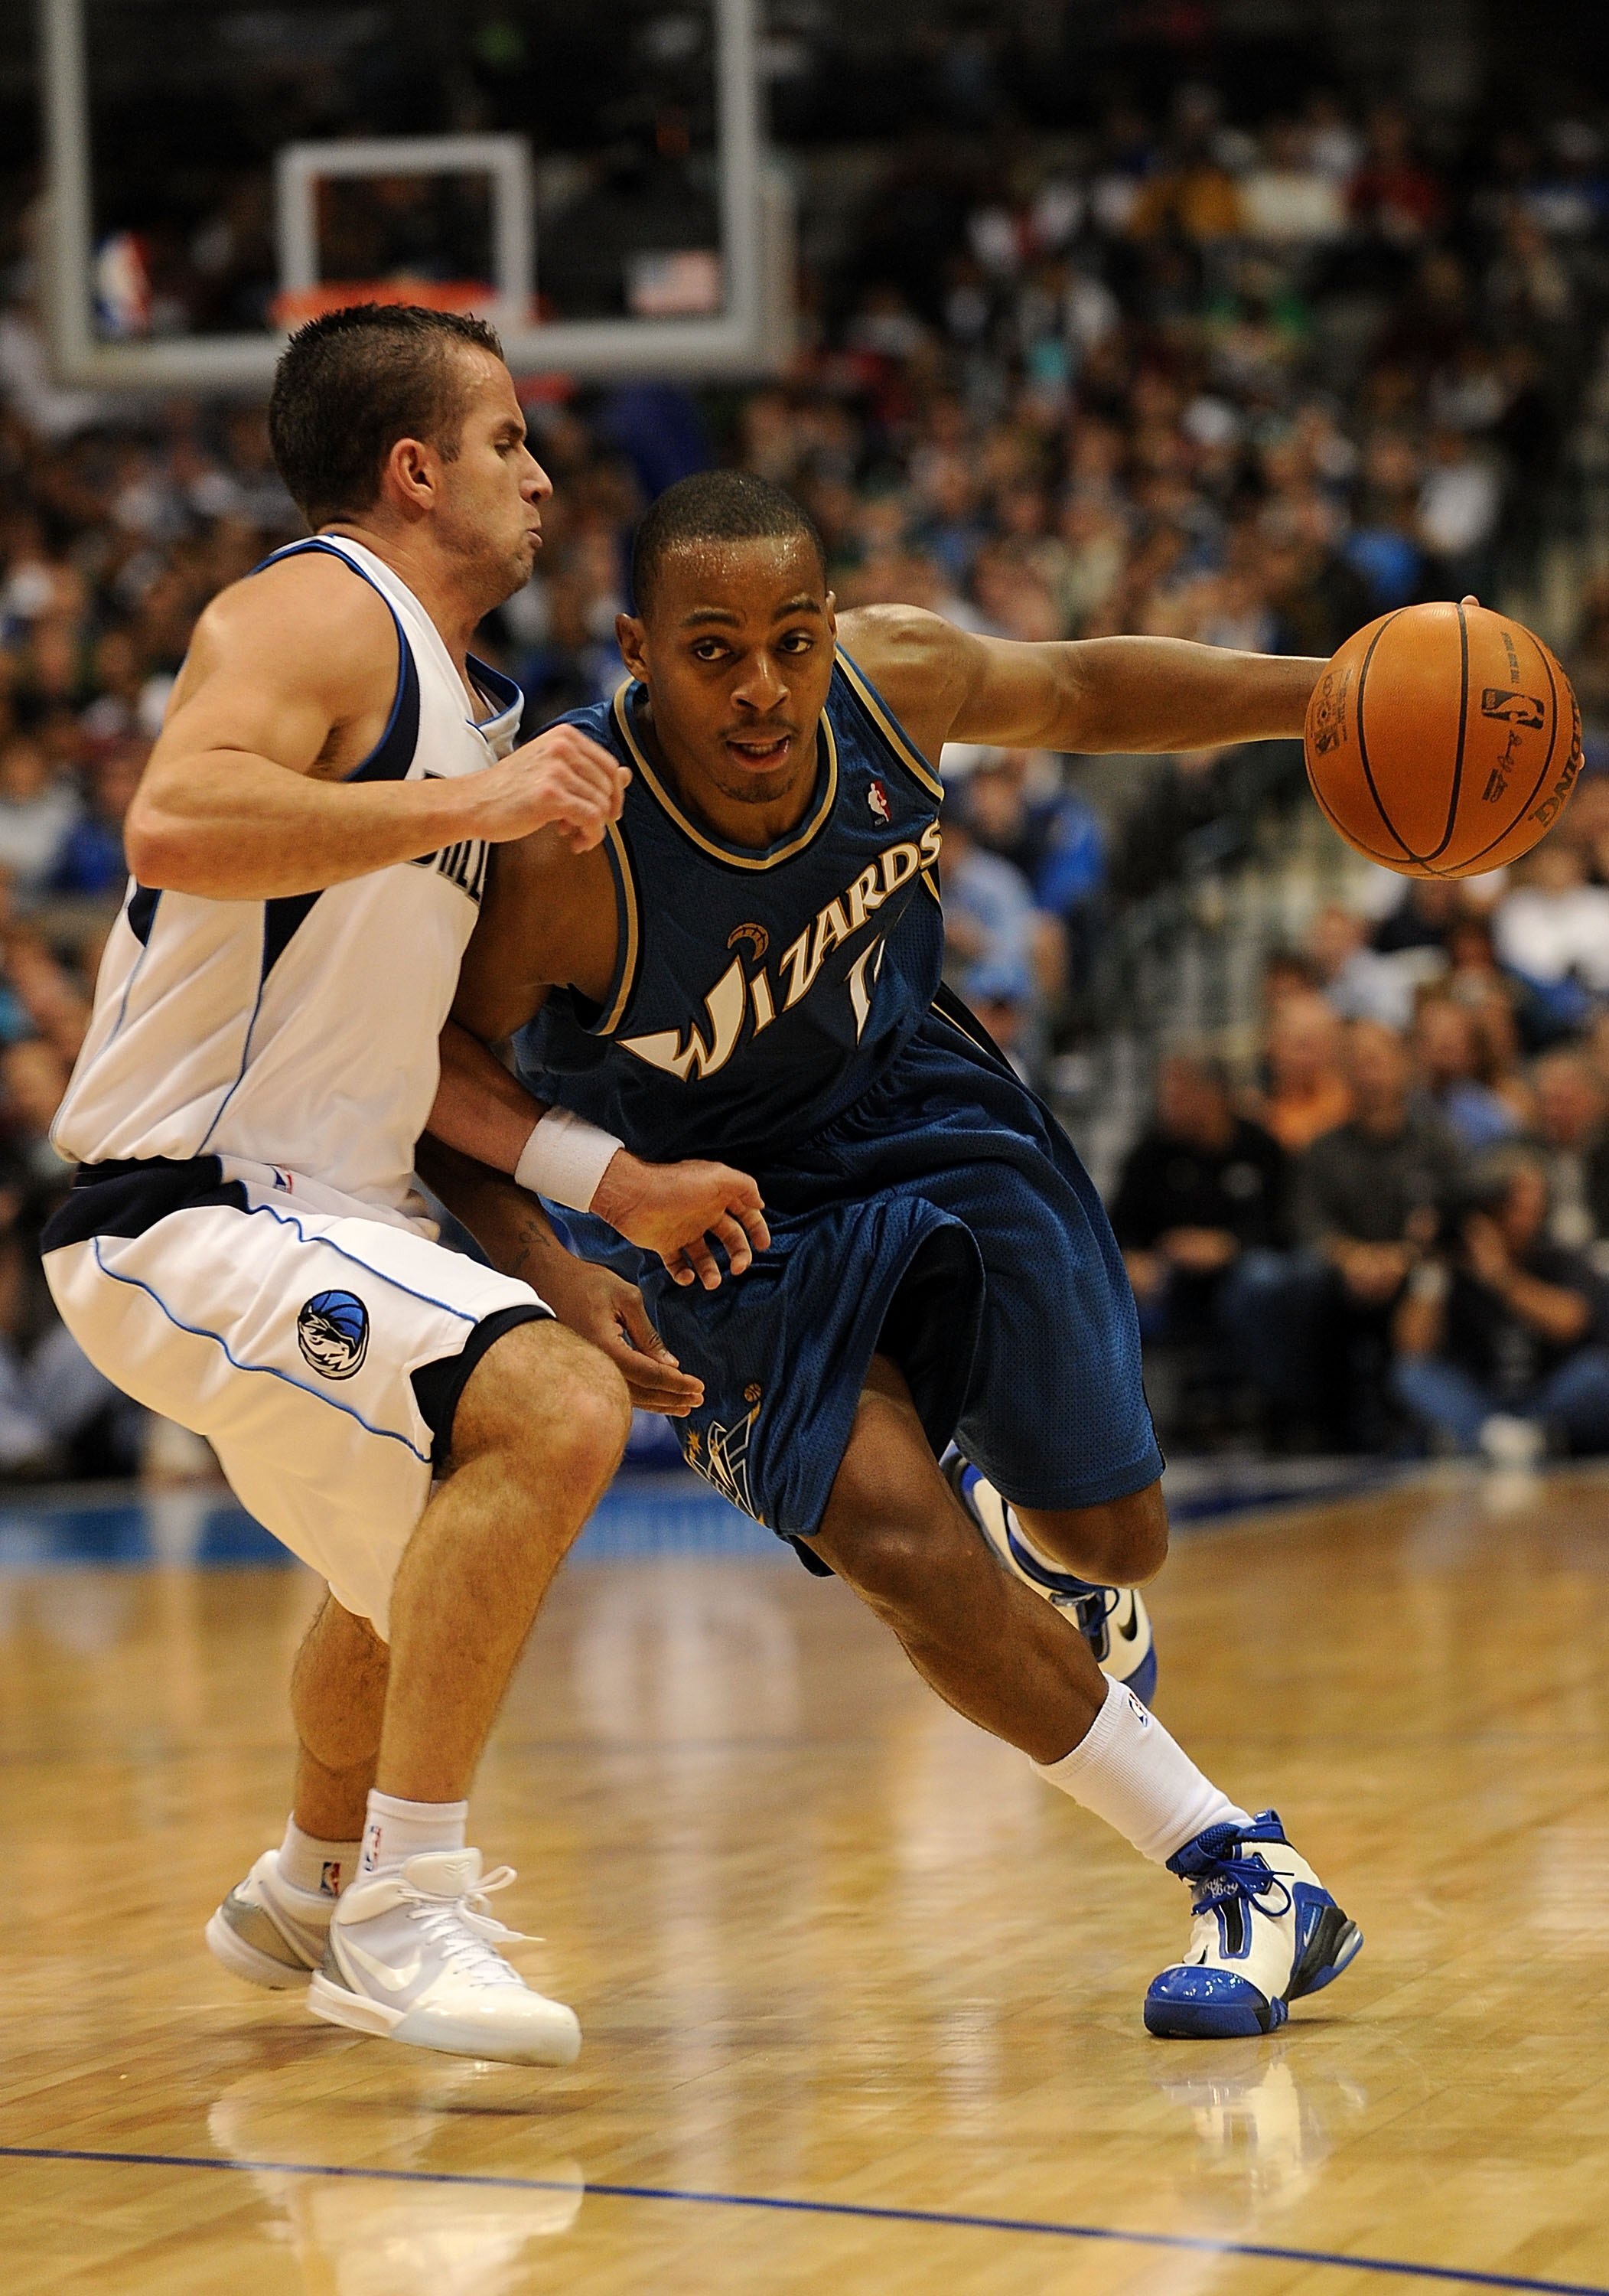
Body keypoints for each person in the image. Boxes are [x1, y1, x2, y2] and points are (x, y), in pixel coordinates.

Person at [400, 469, 1363, 2039]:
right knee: (897, 1544)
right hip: (706, 1204)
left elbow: (1076, 687)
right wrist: (565, 1261)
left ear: (831, 626)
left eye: (792, 638)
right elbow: (443, 1086)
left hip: (923, 1100)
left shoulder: (893, 687)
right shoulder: (573, 851)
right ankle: (1245, 1869)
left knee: (1113, 1540)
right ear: (638, 650)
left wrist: (1327, 691)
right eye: (714, 651)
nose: (764, 685)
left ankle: (1042, 1547)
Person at [39, 306, 774, 2067]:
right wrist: (484, 797)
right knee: (545, 1414)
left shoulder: (456, 702)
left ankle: (307, 1878)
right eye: (509, 439)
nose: (540, 472)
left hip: (331, 1198)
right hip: (182, 1196)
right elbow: (176, 818)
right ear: (414, 469)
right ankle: (404, 1903)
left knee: (406, 1562)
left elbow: (426, 1065)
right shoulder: (317, 606)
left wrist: (606, 1195)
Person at [1392, 1150, 1609, 1465]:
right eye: (1515, 1206)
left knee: (1596, 1374)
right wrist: (1432, 1264)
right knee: (1412, 1376)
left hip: (1547, 1396)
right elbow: (1413, 1348)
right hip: (1480, 1399)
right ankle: (1498, 1439)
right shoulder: (1451, 1262)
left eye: (1534, 1205)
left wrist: (1500, 1275)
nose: (1527, 1214)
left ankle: (1508, 1441)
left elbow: (1571, 1321)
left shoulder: (1558, 1257)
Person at [1110, 1052, 1289, 1392]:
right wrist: (1131, 1258)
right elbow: (1120, 1225)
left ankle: (1268, 1403)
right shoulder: (1151, 1152)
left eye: (1179, 1093)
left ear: (1214, 1095)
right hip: (1170, 1278)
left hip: (1243, 1274)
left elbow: (1284, 1225)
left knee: (1264, 1277)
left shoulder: (1260, 1148)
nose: (1167, 1103)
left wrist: (1230, 1246)